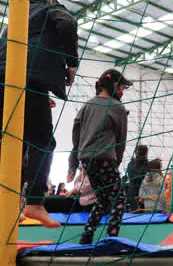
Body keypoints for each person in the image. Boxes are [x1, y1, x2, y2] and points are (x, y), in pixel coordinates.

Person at [0, 0, 79, 228]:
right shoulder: (49, 7)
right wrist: (71, 63)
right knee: (43, 141)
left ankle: (8, 204)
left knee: (14, 142)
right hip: (25, 77)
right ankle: (34, 202)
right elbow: (68, 23)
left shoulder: (17, 18)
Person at [68, 68, 131, 244]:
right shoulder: (117, 107)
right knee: (119, 199)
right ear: (114, 86)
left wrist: (74, 162)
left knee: (103, 199)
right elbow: (121, 139)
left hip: (86, 159)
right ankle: (112, 238)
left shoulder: (87, 105)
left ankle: (86, 236)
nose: (121, 93)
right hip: (105, 157)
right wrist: (116, 161)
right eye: (122, 88)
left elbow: (76, 135)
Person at [125, 144, 149, 212]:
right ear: (146, 152)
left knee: (134, 212)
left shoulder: (131, 164)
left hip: (131, 192)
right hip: (143, 193)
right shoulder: (147, 165)